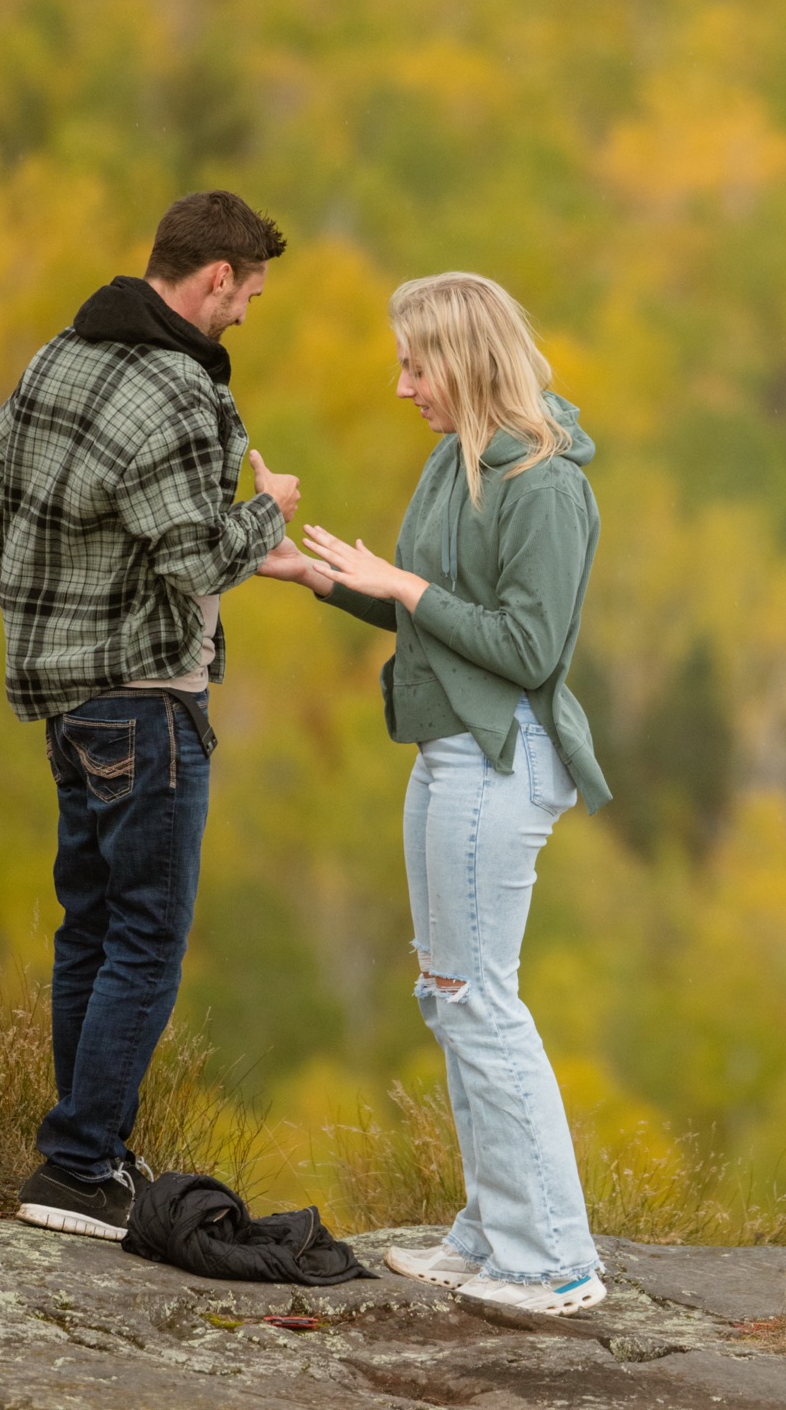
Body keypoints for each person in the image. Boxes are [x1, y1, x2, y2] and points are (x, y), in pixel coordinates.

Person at [259, 271, 612, 1315]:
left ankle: (553, 1261)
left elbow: (525, 645)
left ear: (464, 360)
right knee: (447, 995)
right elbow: (430, 623)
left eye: (416, 363)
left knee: (478, 1002)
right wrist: (325, 580)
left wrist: (404, 584)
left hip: (501, 757)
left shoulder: (546, 486)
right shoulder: (449, 465)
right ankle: (490, 1229)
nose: (401, 383)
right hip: (445, 753)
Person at [0, 190, 301, 1241]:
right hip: (147, 699)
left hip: (64, 696)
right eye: (248, 293)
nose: (246, 313)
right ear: (214, 278)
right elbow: (197, 556)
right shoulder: (172, 392)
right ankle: (77, 1165)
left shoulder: (58, 355)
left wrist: (54, 598)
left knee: (93, 926)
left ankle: (83, 1153)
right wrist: (269, 511)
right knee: (146, 939)